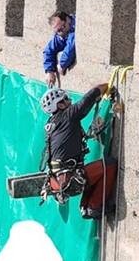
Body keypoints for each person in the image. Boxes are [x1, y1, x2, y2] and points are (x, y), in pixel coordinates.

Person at [40, 83, 117, 220]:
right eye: (66, 99)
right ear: (60, 105)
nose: (70, 100)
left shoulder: (52, 124)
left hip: (57, 180)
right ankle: (94, 206)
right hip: (68, 179)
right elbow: (91, 95)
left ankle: (86, 206)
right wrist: (109, 85)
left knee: (87, 174)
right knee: (109, 165)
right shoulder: (68, 116)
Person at [43, 12, 76, 86]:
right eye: (58, 31)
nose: (62, 31)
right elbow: (48, 50)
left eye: (63, 27)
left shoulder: (76, 25)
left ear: (67, 19)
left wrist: (62, 64)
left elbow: (71, 45)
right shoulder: (60, 34)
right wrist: (49, 71)